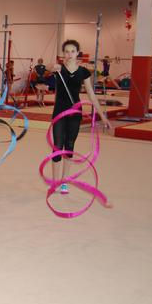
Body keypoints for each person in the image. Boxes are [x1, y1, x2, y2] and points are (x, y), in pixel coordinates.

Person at [51, 40, 112, 194]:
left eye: (72, 51)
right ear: (63, 53)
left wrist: (102, 116)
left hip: (75, 112)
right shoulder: (58, 69)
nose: (69, 54)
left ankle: (64, 181)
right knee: (57, 146)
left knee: (69, 145)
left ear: (78, 53)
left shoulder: (83, 72)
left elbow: (91, 95)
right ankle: (55, 181)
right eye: (66, 51)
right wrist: (53, 67)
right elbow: (49, 69)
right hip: (59, 111)